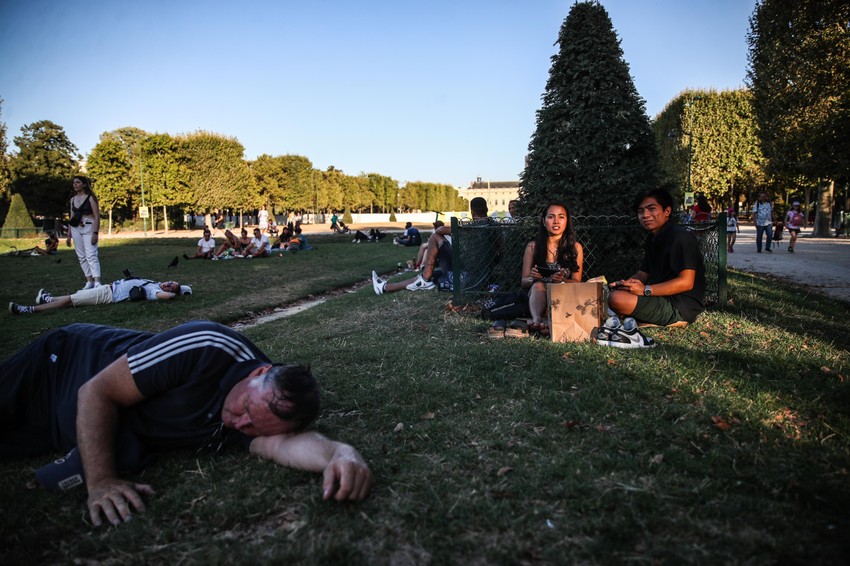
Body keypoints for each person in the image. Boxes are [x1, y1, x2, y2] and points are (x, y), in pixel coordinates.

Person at [0, 320, 372, 527]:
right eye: (244, 408)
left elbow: (283, 445)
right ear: (259, 372)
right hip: (59, 368)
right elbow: (96, 393)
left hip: (68, 424)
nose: (237, 422)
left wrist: (340, 454)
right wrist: (101, 482)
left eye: (250, 427)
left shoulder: (262, 418)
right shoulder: (207, 346)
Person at [607, 187, 705, 327]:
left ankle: (673, 320)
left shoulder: (681, 238)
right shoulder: (653, 239)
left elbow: (686, 282)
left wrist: (645, 290)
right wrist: (626, 284)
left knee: (616, 299)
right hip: (659, 297)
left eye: (651, 209)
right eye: (641, 211)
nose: (645, 215)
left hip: (680, 306)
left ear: (667, 211)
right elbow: (642, 275)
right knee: (614, 293)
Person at [372, 197, 490, 294]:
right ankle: (385, 287)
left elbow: (440, 230)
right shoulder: (493, 226)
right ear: (487, 209)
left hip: (465, 273)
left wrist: (457, 229)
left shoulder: (472, 227)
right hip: (482, 274)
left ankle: (424, 276)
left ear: (472, 212)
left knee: (435, 237)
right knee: (428, 277)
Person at [519, 202, 584, 337]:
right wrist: (533, 278)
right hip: (538, 297)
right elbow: (524, 282)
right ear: (544, 221)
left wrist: (563, 280)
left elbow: (577, 282)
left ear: (567, 221)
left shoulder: (576, 248)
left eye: (561, 217)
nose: (556, 221)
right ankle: (537, 321)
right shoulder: (532, 247)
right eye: (551, 217)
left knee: (559, 289)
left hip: (563, 296)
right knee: (538, 286)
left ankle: (548, 322)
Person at [8, 278, 189, 315]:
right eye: (170, 282)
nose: (168, 285)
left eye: (171, 287)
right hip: (108, 288)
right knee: (76, 296)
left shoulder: (154, 291)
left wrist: (173, 295)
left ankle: (30, 310)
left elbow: (163, 296)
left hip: (108, 294)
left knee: (71, 301)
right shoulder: (153, 283)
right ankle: (47, 299)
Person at [67, 176, 102, 289]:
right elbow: (71, 217)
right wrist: (69, 235)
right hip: (76, 227)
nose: (75, 184)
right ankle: (89, 280)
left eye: (78, 182)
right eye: (74, 183)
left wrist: (95, 233)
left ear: (84, 184)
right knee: (81, 256)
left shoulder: (90, 198)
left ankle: (97, 280)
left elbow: (96, 216)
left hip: (88, 227)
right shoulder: (72, 199)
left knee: (91, 254)